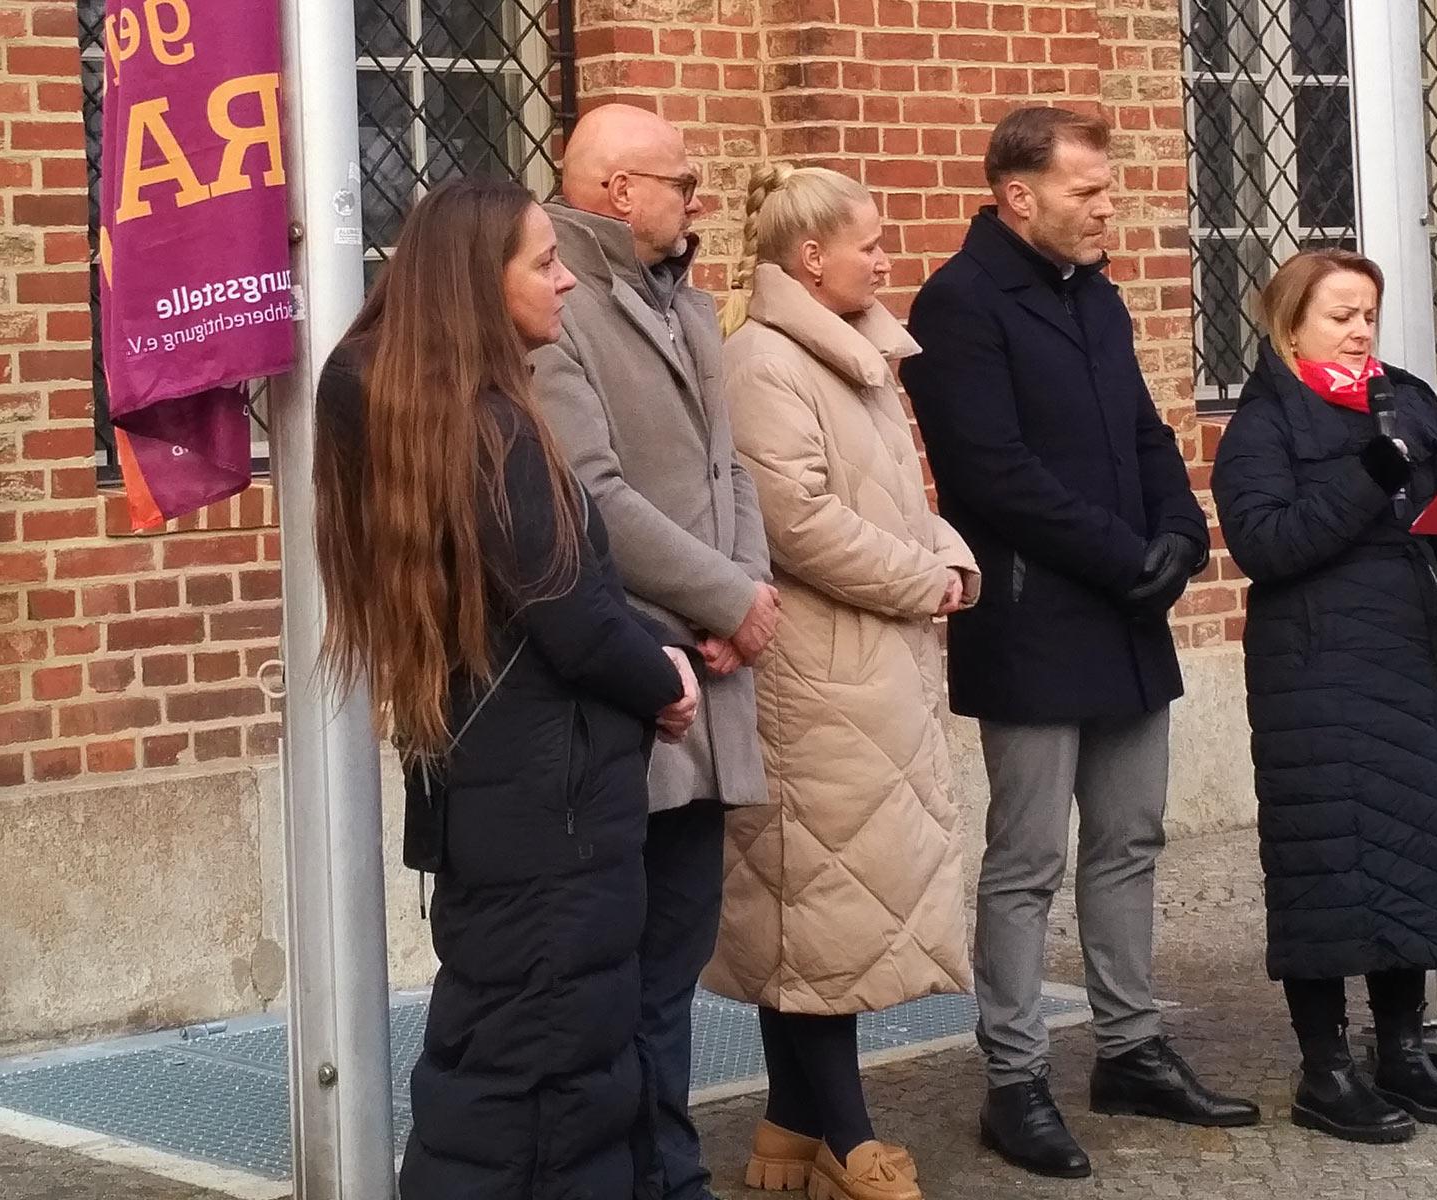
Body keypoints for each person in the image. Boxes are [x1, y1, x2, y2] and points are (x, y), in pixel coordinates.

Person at [311, 179, 703, 1197]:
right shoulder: (488, 430)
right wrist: (661, 671)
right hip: (554, 807)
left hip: (501, 795)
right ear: (473, 286)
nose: (566, 278)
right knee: (543, 1089)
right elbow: (569, 608)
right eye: (542, 261)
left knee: (505, 1070)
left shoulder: (400, 404)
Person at [901, 105, 1261, 1180]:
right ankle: (1013, 1077)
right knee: (1024, 860)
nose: (1108, 207)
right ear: (1019, 196)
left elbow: (1146, 428)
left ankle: (1131, 1046)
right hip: (1031, 616)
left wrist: (1180, 532)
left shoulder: (1094, 296)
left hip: (1122, 608)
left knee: (1130, 837)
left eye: (1108, 189)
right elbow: (990, 474)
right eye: (1086, 192)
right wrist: (1122, 553)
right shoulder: (960, 304)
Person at [700, 164, 981, 1200]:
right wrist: (926, 579)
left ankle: (787, 1126)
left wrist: (944, 552)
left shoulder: (853, 354)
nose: (886, 256)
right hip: (813, 683)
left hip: (865, 674)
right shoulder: (764, 363)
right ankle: (847, 1140)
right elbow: (798, 523)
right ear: (809, 257)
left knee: (830, 912)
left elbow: (896, 498)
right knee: (814, 917)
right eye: (869, 240)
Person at [1212, 249, 1437, 1144]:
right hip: (1313, 672)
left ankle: (1398, 1047)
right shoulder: (1264, 422)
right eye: (1340, 315)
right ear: (1290, 325)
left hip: (1406, 662)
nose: (1360, 332)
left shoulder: (1405, 400)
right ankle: (1324, 1069)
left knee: (1409, 847)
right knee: (1323, 862)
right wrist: (1370, 476)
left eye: (1369, 316)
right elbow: (1264, 544)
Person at [530, 103, 775, 1200]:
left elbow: (730, 470)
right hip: (637, 685)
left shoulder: (685, 303)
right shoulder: (556, 308)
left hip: (713, 672)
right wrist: (719, 599)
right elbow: (589, 495)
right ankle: (642, 1177)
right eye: (682, 180)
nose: (698, 199)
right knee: (618, 972)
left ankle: (666, 1167)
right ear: (617, 191)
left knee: (673, 961)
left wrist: (746, 598)